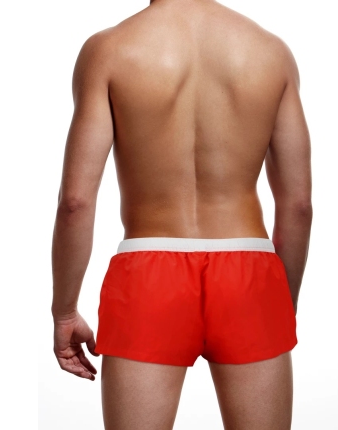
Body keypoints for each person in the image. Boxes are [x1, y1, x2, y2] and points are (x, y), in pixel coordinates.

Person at [51, 0, 312, 428]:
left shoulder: (110, 49)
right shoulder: (270, 51)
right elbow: (298, 206)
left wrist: (64, 311)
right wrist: (280, 308)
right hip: (249, 273)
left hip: (148, 273)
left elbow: (75, 202)